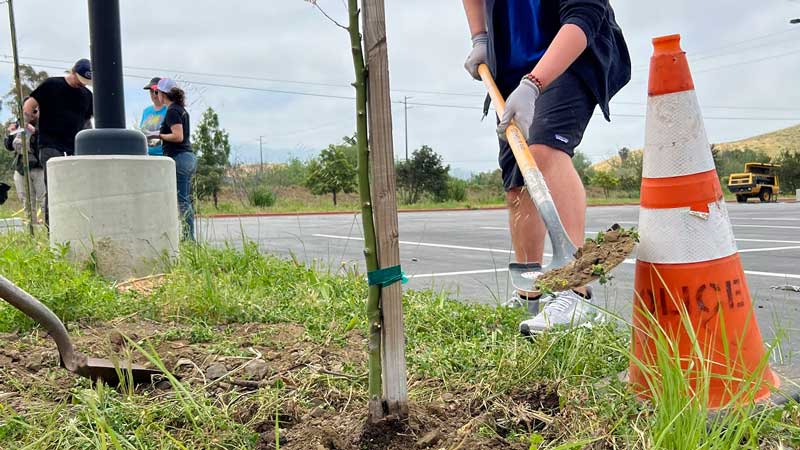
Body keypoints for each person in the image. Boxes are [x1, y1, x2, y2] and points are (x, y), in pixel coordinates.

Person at [462, 0, 631, 334]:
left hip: (570, 57)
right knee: (516, 185)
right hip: (510, 70)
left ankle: (575, 293)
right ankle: (529, 296)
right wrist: (479, 38)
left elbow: (584, 16)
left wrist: (533, 85)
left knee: (543, 151)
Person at [23, 58, 93, 225]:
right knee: (55, 186)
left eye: (86, 82)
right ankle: (52, 229)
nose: (82, 84)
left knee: (74, 186)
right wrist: (29, 119)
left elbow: (87, 119)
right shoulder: (52, 85)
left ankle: (74, 224)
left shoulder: (87, 95)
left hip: (74, 146)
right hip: (50, 144)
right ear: (73, 72)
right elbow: (29, 105)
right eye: (80, 80)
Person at [153, 78, 196, 241]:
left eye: (156, 92)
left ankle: (188, 238)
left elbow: (178, 136)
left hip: (179, 158)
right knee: (184, 199)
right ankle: (187, 236)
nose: (156, 96)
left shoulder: (172, 111)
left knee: (182, 201)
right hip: (188, 157)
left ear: (163, 94)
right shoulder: (182, 110)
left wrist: (158, 135)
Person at [4, 102, 45, 222]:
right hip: (21, 169)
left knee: (45, 200)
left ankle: (49, 229)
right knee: (26, 201)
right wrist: (11, 133)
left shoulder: (44, 124)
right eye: (27, 111)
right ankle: (31, 229)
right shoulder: (18, 125)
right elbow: (9, 146)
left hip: (39, 168)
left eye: (34, 111)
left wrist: (35, 132)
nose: (31, 114)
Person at [140, 77, 167, 156]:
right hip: (147, 155)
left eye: (156, 91)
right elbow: (142, 131)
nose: (153, 95)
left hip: (164, 155)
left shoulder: (170, 110)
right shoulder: (146, 111)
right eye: (151, 92)